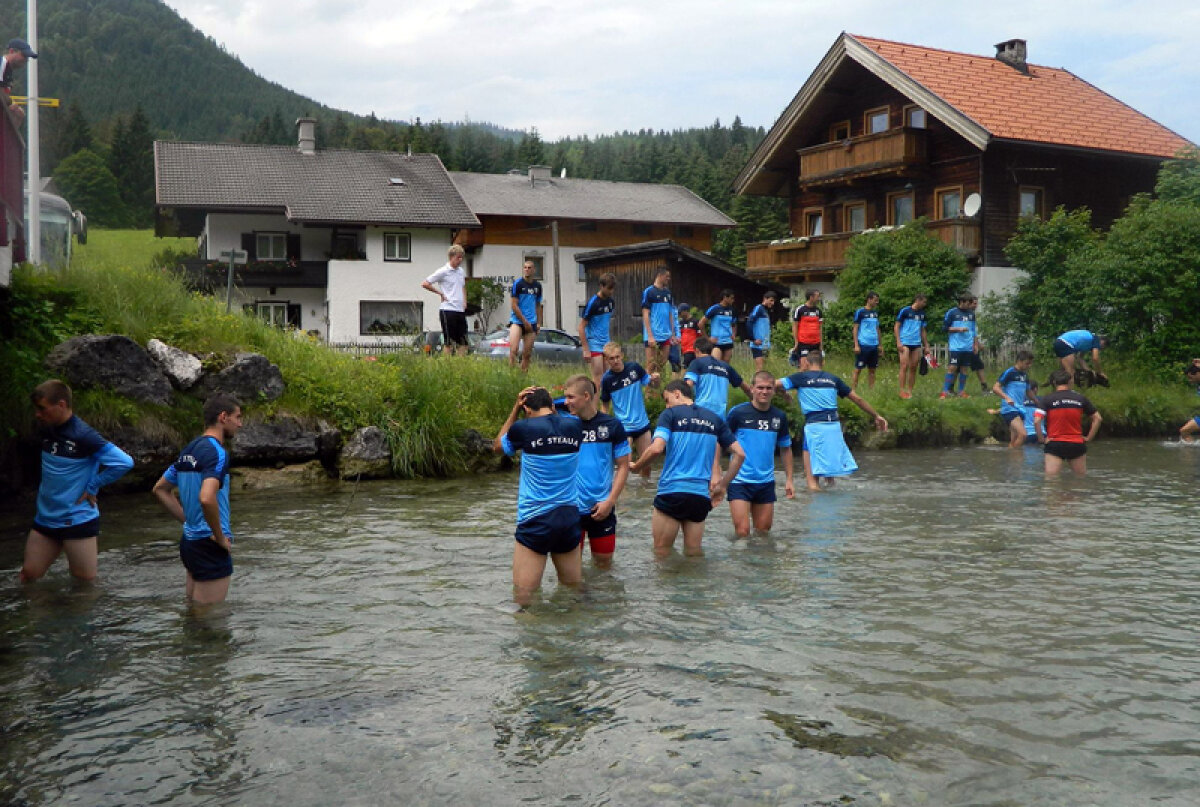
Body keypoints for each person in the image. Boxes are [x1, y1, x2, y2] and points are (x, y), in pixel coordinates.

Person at [19, 380, 133, 584]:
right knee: (28, 576)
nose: (37, 414)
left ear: (61, 405)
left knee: (84, 584)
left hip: (77, 519)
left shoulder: (83, 435)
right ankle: (37, 616)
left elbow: (124, 462)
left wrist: (93, 485)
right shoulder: (46, 428)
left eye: (42, 408)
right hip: (46, 518)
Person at [629, 380, 745, 557]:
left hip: (672, 492)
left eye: (667, 400)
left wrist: (637, 467)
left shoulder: (670, 415)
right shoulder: (714, 418)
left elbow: (657, 448)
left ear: (677, 393)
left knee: (661, 554)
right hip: (700, 497)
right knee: (694, 555)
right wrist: (723, 485)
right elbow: (740, 454)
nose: (667, 406)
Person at [493, 386, 584, 607]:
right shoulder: (574, 426)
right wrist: (554, 402)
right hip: (569, 517)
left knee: (524, 599)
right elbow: (562, 411)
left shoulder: (523, 429)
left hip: (536, 519)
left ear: (527, 409)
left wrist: (515, 410)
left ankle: (535, 638)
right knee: (572, 593)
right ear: (552, 406)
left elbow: (497, 447)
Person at [152, 394, 243, 605]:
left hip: (190, 543)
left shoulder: (188, 451)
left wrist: (187, 521)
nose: (240, 423)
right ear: (223, 417)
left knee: (194, 613)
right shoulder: (217, 453)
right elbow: (206, 497)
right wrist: (219, 537)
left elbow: (160, 489)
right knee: (210, 621)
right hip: (210, 545)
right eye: (237, 417)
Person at [778, 352, 888, 491]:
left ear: (806, 363)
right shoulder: (833, 379)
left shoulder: (800, 378)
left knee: (812, 483)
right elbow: (857, 399)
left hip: (815, 427)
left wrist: (784, 394)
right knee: (829, 478)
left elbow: (771, 384)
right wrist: (876, 415)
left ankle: (817, 508)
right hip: (834, 428)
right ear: (823, 363)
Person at [563, 375, 630, 569]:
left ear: (586, 396)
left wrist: (610, 501)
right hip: (571, 508)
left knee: (604, 567)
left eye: (570, 397)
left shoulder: (612, 426)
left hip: (601, 507)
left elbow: (623, 466)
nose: (566, 402)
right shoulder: (564, 425)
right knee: (571, 568)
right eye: (565, 397)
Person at [725, 371, 794, 538]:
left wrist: (790, 479)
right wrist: (715, 474)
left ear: (774, 391)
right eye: (760, 387)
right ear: (752, 389)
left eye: (769, 388)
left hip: (765, 482)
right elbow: (720, 443)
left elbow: (785, 448)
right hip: (739, 480)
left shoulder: (779, 417)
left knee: (763, 534)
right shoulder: (737, 413)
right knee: (742, 532)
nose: (764, 392)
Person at [599, 341, 660, 479]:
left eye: (617, 357)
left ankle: (644, 491)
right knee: (623, 467)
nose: (615, 361)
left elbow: (653, 385)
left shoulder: (634, 368)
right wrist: (603, 425)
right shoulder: (607, 380)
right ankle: (623, 497)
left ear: (622, 355)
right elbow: (605, 405)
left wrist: (656, 380)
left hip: (642, 424)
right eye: (611, 358)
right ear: (606, 360)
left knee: (647, 465)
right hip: (623, 427)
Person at [1039, 368, 1102, 475]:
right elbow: (1098, 418)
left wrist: (1042, 438)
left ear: (1054, 382)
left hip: (1055, 442)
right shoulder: (1080, 398)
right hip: (1076, 443)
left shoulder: (1047, 399)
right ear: (1069, 381)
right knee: (1079, 479)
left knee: (1051, 481)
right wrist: (1089, 438)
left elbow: (1037, 420)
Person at [685, 335, 753, 418]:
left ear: (697, 350)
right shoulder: (726, 366)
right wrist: (755, 402)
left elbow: (688, 385)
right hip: (720, 415)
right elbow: (746, 388)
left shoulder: (696, 362)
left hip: (701, 413)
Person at [421, 244, 470, 356]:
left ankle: (459, 365)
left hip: (459, 310)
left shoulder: (461, 271)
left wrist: (464, 301)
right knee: (449, 342)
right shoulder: (443, 271)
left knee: (463, 342)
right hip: (447, 310)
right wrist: (440, 293)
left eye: (462, 257)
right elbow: (425, 283)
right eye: (458, 257)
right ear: (451, 257)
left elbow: (462, 286)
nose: (460, 260)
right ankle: (447, 366)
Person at [579, 273, 617, 390]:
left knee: (608, 377)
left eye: (613, 288)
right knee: (598, 378)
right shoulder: (593, 303)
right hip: (594, 343)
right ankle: (594, 407)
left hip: (606, 343)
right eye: (609, 288)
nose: (611, 291)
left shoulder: (611, 302)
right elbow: (581, 327)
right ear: (601, 286)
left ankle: (605, 406)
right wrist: (586, 349)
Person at [993, 350, 1036, 447]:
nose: (1029, 366)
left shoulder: (1025, 375)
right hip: (1009, 408)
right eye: (1027, 363)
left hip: (1020, 408)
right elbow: (995, 388)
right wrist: (1007, 398)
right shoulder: (1009, 372)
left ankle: (1014, 459)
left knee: (1014, 440)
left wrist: (1037, 401)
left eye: (1030, 364)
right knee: (1023, 435)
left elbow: (1028, 391)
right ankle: (1014, 456)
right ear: (1020, 361)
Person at [641, 267, 679, 375]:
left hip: (666, 334)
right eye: (666, 276)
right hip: (653, 334)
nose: (668, 279)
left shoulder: (668, 293)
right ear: (660, 275)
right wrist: (650, 335)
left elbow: (670, 314)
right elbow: (645, 314)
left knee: (661, 365)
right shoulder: (649, 292)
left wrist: (672, 334)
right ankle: (648, 391)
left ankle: (659, 390)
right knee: (651, 365)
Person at [508, 260, 543, 371]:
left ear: (533, 270)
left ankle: (522, 378)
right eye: (525, 267)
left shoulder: (537, 286)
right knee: (514, 350)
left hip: (531, 321)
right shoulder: (518, 284)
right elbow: (514, 305)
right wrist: (524, 321)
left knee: (527, 354)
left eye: (529, 268)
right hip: (517, 321)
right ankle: (511, 375)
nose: (527, 270)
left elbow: (538, 305)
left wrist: (538, 323)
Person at [942, 293, 977, 399]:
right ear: (961, 302)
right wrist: (958, 329)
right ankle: (944, 392)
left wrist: (975, 344)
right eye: (968, 303)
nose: (969, 305)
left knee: (964, 369)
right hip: (956, 346)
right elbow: (944, 328)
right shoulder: (952, 313)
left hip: (967, 346)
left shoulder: (971, 314)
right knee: (952, 367)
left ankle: (961, 391)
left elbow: (974, 330)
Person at [894, 294, 929, 399]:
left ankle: (909, 391)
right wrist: (898, 342)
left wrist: (926, 344)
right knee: (904, 366)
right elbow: (897, 326)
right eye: (923, 302)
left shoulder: (922, 314)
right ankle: (901, 390)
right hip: (905, 341)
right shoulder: (905, 311)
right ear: (918, 300)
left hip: (916, 342)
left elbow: (923, 330)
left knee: (913, 367)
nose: (924, 304)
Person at [1, 38, 36, 125]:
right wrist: (10, 105)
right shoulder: (2, 63)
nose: (26, 60)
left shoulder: (8, 72)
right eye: (24, 55)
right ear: (12, 51)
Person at [851, 291, 881, 390]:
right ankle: (853, 390)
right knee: (858, 369)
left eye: (878, 300)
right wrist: (856, 345)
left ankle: (871, 390)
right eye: (875, 300)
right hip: (863, 344)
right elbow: (855, 328)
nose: (877, 302)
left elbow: (877, 328)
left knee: (872, 370)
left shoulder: (875, 313)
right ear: (869, 299)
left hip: (874, 345)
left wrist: (880, 345)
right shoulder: (860, 312)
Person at [699, 289, 737, 362]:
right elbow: (701, 323)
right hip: (717, 341)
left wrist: (734, 334)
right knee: (716, 363)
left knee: (725, 365)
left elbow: (734, 324)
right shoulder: (715, 309)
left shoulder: (732, 310)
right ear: (725, 297)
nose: (733, 300)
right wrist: (708, 339)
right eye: (731, 298)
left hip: (728, 341)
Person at [789, 289, 823, 366]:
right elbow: (795, 326)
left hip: (816, 343)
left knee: (815, 367)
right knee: (804, 367)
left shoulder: (818, 311)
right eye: (817, 297)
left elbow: (820, 328)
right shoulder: (800, 309)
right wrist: (796, 342)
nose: (819, 299)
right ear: (811, 297)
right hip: (804, 342)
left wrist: (821, 345)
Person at [746, 291, 777, 371]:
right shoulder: (759, 308)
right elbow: (749, 322)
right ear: (765, 299)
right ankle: (754, 383)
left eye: (774, 301)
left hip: (765, 343)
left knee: (764, 369)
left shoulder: (766, 311)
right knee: (759, 368)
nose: (772, 303)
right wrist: (753, 339)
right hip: (758, 344)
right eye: (771, 300)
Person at [678, 304, 700, 369]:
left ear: (686, 311)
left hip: (692, 349)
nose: (679, 314)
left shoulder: (695, 321)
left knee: (686, 368)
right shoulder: (680, 323)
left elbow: (699, 336)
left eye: (680, 312)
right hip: (683, 350)